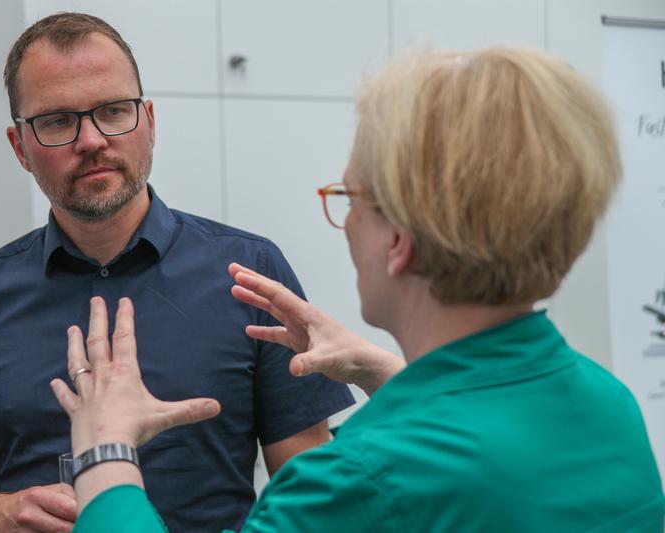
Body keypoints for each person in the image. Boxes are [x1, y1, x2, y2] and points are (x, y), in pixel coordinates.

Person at [52, 47, 665, 532]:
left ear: (399, 240)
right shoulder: (609, 405)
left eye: (350, 200)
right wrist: (392, 378)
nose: (346, 225)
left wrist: (105, 453)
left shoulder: (354, 482)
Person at [0, 12, 354, 533]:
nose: (91, 140)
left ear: (150, 122)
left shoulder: (251, 275)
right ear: (19, 146)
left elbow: (309, 484)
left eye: (113, 111)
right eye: (58, 121)